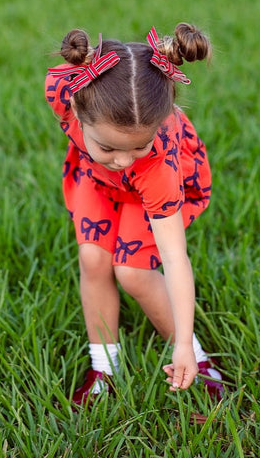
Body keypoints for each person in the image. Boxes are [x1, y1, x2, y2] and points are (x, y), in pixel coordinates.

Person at [45, 23, 224, 406]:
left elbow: (175, 258)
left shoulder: (155, 164)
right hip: (96, 181)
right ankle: (104, 369)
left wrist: (182, 345)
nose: (124, 159)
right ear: (76, 110)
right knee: (93, 258)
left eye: (137, 146)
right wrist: (102, 160)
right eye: (109, 146)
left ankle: (197, 358)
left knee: (133, 272)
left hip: (148, 192)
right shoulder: (69, 92)